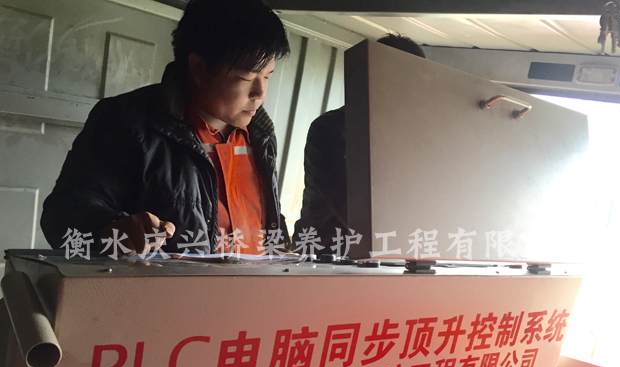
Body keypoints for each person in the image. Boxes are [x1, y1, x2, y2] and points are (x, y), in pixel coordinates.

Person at [41, 0, 290, 257]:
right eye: (246, 78)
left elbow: (261, 219)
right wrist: (112, 229)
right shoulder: (127, 121)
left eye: (267, 76)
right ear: (199, 68)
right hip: (160, 284)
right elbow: (61, 216)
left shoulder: (260, 134)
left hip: (252, 283)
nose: (260, 93)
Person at [292, 34, 426, 256]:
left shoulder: (410, 135)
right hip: (326, 255)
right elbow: (353, 210)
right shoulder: (330, 129)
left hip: (384, 253)